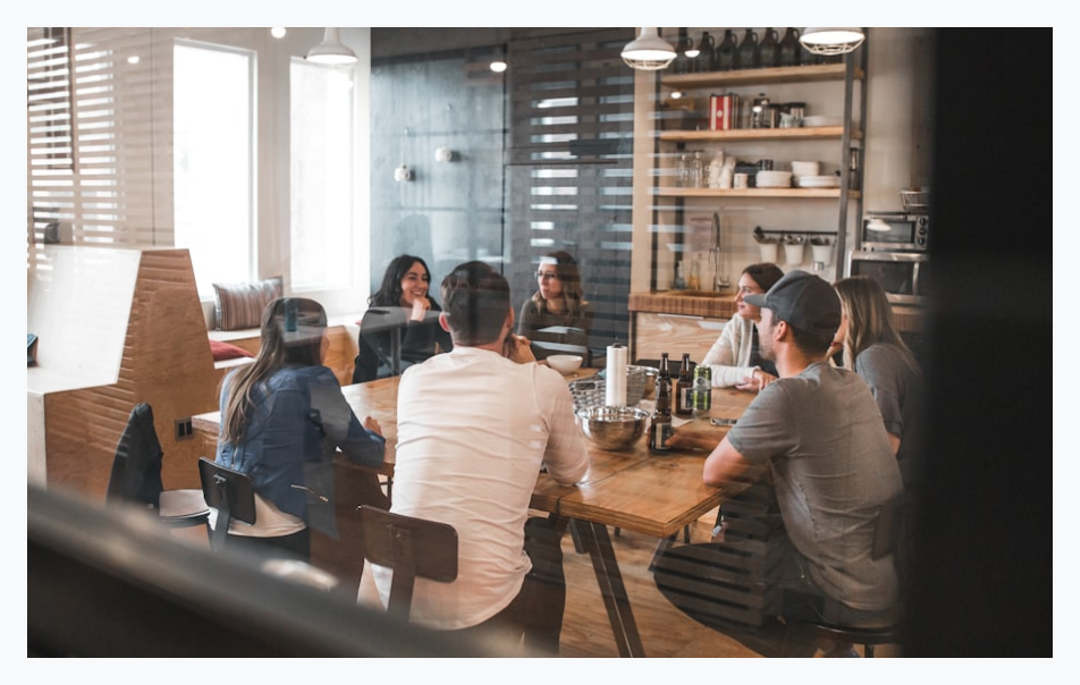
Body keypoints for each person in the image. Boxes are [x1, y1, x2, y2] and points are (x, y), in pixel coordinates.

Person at [360, 261, 589, 654]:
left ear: (445, 322)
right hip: (482, 606)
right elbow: (572, 471)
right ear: (510, 319)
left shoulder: (414, 379)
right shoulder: (541, 382)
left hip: (397, 588)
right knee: (545, 543)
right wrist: (530, 367)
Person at [671, 271, 903, 654]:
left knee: (676, 570)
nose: (757, 320)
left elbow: (715, 472)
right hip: (876, 574)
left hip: (836, 588)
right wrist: (695, 437)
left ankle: (797, 647)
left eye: (764, 316)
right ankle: (825, 649)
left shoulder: (788, 395)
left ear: (780, 329)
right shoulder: (848, 383)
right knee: (754, 526)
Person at [215, 297, 385, 561]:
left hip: (226, 523)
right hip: (277, 529)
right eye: (325, 334)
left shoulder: (234, 380)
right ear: (314, 339)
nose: (327, 342)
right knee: (357, 495)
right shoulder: (315, 381)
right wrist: (375, 433)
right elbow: (368, 454)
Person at [834, 275, 924, 488]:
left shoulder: (872, 359)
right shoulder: (888, 352)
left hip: (900, 488)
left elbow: (886, 444)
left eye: (832, 308)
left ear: (852, 313)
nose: (825, 316)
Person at [352, 255, 453, 383]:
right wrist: (416, 320)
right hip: (374, 389)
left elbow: (451, 346)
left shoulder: (429, 307)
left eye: (424, 279)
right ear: (395, 283)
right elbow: (403, 365)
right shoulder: (375, 317)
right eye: (412, 278)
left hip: (416, 384)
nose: (421, 285)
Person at [701, 262, 784, 391]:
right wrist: (753, 374)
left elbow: (802, 383)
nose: (736, 298)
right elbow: (705, 372)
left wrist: (769, 385)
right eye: (739, 289)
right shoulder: (739, 323)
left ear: (769, 295)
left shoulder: (788, 328)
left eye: (746, 290)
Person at [517, 251, 594, 362]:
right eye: (540, 274)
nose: (542, 282)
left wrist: (536, 364)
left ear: (566, 280)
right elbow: (521, 351)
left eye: (549, 276)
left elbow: (571, 357)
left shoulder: (583, 310)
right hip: (535, 374)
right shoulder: (532, 307)